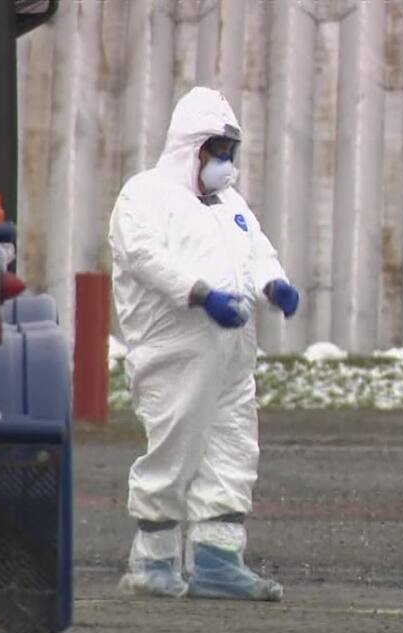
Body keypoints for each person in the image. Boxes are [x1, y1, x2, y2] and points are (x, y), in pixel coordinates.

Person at [108, 87, 300, 601]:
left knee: (234, 446)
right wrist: (199, 294)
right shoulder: (144, 195)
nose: (227, 164)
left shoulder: (229, 204)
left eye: (231, 153)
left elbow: (257, 250)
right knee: (176, 444)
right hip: (174, 351)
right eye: (218, 152)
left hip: (233, 353)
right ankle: (154, 559)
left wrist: (273, 283)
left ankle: (217, 558)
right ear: (190, 148)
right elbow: (144, 257)